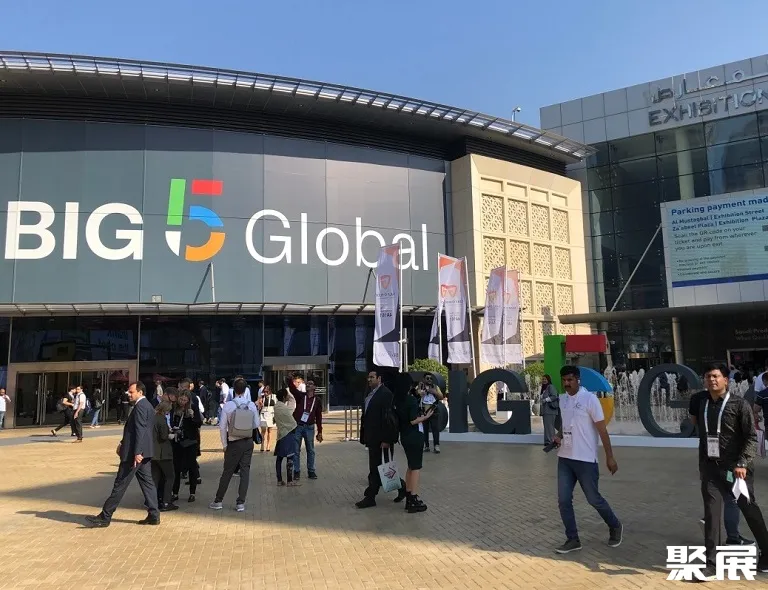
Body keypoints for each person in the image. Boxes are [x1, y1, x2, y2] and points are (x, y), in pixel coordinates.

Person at [693, 363, 768, 577]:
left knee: (749, 509)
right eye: (708, 376)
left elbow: (751, 437)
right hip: (711, 468)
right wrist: (702, 466)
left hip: (737, 470)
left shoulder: (739, 404)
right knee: (711, 513)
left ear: (726, 380)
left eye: (716, 376)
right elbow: (702, 436)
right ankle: (711, 563)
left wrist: (742, 463)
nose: (711, 380)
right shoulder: (701, 402)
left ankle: (767, 551)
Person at [553, 365, 622, 554]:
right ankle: (573, 539)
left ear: (578, 380)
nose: (567, 384)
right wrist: (558, 436)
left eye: (570, 380)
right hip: (565, 458)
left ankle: (615, 525)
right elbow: (566, 425)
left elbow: (602, 430)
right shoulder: (563, 399)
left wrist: (610, 457)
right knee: (563, 500)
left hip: (585, 460)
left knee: (593, 499)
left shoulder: (590, 399)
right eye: (564, 380)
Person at [86, 381, 160, 527]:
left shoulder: (140, 407)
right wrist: (123, 443)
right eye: (128, 391)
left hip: (135, 454)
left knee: (120, 484)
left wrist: (137, 452)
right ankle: (154, 515)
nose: (128, 394)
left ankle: (105, 516)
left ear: (140, 392)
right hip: (144, 452)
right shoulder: (148, 406)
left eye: (131, 392)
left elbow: (140, 430)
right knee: (148, 484)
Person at [689, 387, 753, 545]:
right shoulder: (732, 401)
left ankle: (710, 524)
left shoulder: (698, 398)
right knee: (732, 498)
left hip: (707, 457)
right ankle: (733, 537)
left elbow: (694, 422)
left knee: (714, 497)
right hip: (727, 459)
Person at [355, 370, 406, 508]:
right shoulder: (369, 393)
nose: (369, 379)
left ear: (379, 378)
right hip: (372, 437)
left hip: (382, 439)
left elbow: (389, 418)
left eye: (372, 377)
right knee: (378, 468)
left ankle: (371, 496)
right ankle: (401, 488)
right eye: (368, 377)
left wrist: (387, 439)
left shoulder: (385, 394)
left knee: (381, 468)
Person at [209, 378, 260, 511]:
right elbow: (256, 424)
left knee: (227, 472)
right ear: (245, 389)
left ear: (234, 389)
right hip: (248, 441)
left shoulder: (229, 405)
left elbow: (222, 427)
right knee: (245, 472)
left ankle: (218, 501)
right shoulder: (251, 405)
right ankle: (240, 503)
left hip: (233, 442)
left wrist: (224, 444)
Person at [394, 382, 433, 513]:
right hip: (414, 436)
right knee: (416, 468)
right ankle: (413, 498)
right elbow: (412, 420)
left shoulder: (397, 401)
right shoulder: (410, 400)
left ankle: (408, 495)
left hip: (404, 436)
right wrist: (426, 417)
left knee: (410, 466)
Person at [170, 389, 203, 503]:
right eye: (181, 399)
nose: (182, 402)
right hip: (177, 441)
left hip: (190, 441)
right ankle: (175, 492)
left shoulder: (192, 408)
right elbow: (171, 422)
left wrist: (193, 416)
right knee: (176, 468)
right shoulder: (174, 408)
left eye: (185, 400)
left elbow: (198, 423)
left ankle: (192, 492)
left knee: (192, 467)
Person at [292, 379, 323, 481]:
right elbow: (293, 389)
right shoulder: (301, 396)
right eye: (307, 384)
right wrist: (290, 379)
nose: (308, 385)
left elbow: (319, 416)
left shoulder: (317, 400)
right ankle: (296, 471)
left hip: (309, 427)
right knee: (296, 450)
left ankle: (311, 470)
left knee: (310, 449)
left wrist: (320, 431)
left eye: (310, 384)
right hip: (298, 426)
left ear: (314, 387)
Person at [151, 399, 178, 512]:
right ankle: (166, 502)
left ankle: (152, 502)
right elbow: (163, 436)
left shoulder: (152, 418)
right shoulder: (161, 419)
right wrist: (171, 435)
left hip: (153, 453)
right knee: (170, 476)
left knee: (155, 479)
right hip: (163, 453)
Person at [274, 386, 299, 486]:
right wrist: (289, 390)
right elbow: (293, 402)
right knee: (290, 457)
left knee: (279, 458)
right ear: (284, 397)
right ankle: (290, 480)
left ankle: (279, 480)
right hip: (288, 434)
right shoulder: (285, 408)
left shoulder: (277, 406)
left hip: (280, 434)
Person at [418, 374, 444, 454]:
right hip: (424, 411)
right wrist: (421, 392)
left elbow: (441, 397)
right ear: (424, 379)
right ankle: (426, 446)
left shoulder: (435, 387)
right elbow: (417, 393)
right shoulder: (420, 386)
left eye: (431, 378)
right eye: (427, 378)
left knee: (435, 429)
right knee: (425, 429)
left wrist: (435, 392)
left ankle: (436, 445)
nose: (429, 380)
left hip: (433, 410)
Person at [540, 374, 559, 446]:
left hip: (550, 410)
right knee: (547, 427)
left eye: (545, 379)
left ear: (548, 380)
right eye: (543, 379)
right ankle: (547, 441)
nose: (544, 380)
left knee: (549, 427)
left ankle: (551, 441)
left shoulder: (551, 387)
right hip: (546, 410)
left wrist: (545, 400)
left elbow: (554, 396)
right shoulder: (544, 389)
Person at [259, 385, 277, 452]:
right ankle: (262, 444)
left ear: (270, 391)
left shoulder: (274, 397)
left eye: (267, 391)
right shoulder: (262, 397)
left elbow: (276, 405)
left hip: (271, 413)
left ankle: (268, 445)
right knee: (263, 430)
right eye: (264, 391)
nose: (265, 393)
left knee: (270, 430)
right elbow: (259, 406)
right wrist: (260, 403)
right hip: (263, 413)